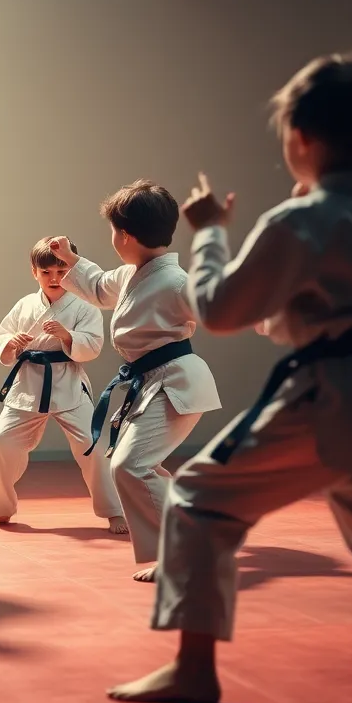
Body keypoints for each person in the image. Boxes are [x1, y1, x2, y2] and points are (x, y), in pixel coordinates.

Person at [109, 49, 352, 703]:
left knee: (198, 501)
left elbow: (216, 311)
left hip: (335, 396)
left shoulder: (300, 220)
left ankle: (193, 670)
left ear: (299, 139)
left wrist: (212, 233)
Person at [50, 181, 221, 580]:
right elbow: (96, 287)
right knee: (141, 467)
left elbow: (219, 305)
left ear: (124, 235)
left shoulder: (176, 281)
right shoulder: (133, 274)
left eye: (113, 230)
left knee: (130, 466)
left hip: (178, 383)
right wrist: (71, 258)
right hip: (154, 383)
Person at [0, 237, 127, 534]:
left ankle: (114, 511)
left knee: (93, 447)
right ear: (34, 272)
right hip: (29, 383)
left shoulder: (84, 304)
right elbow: (1, 336)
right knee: (1, 443)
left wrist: (67, 337)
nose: (54, 278)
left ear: (72, 269)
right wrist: (12, 343)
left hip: (67, 383)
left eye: (62, 271)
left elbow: (92, 345)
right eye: (46, 273)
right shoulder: (25, 304)